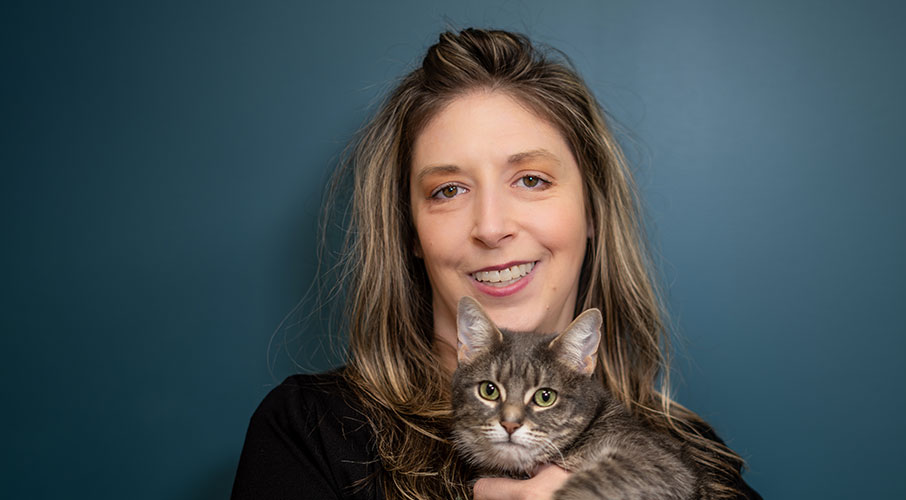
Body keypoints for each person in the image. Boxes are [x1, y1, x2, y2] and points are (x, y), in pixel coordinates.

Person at [232, 28, 761, 500]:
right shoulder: (309, 431)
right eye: (448, 189)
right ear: (410, 231)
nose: (490, 226)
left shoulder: (697, 455)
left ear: (592, 211)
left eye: (531, 179)